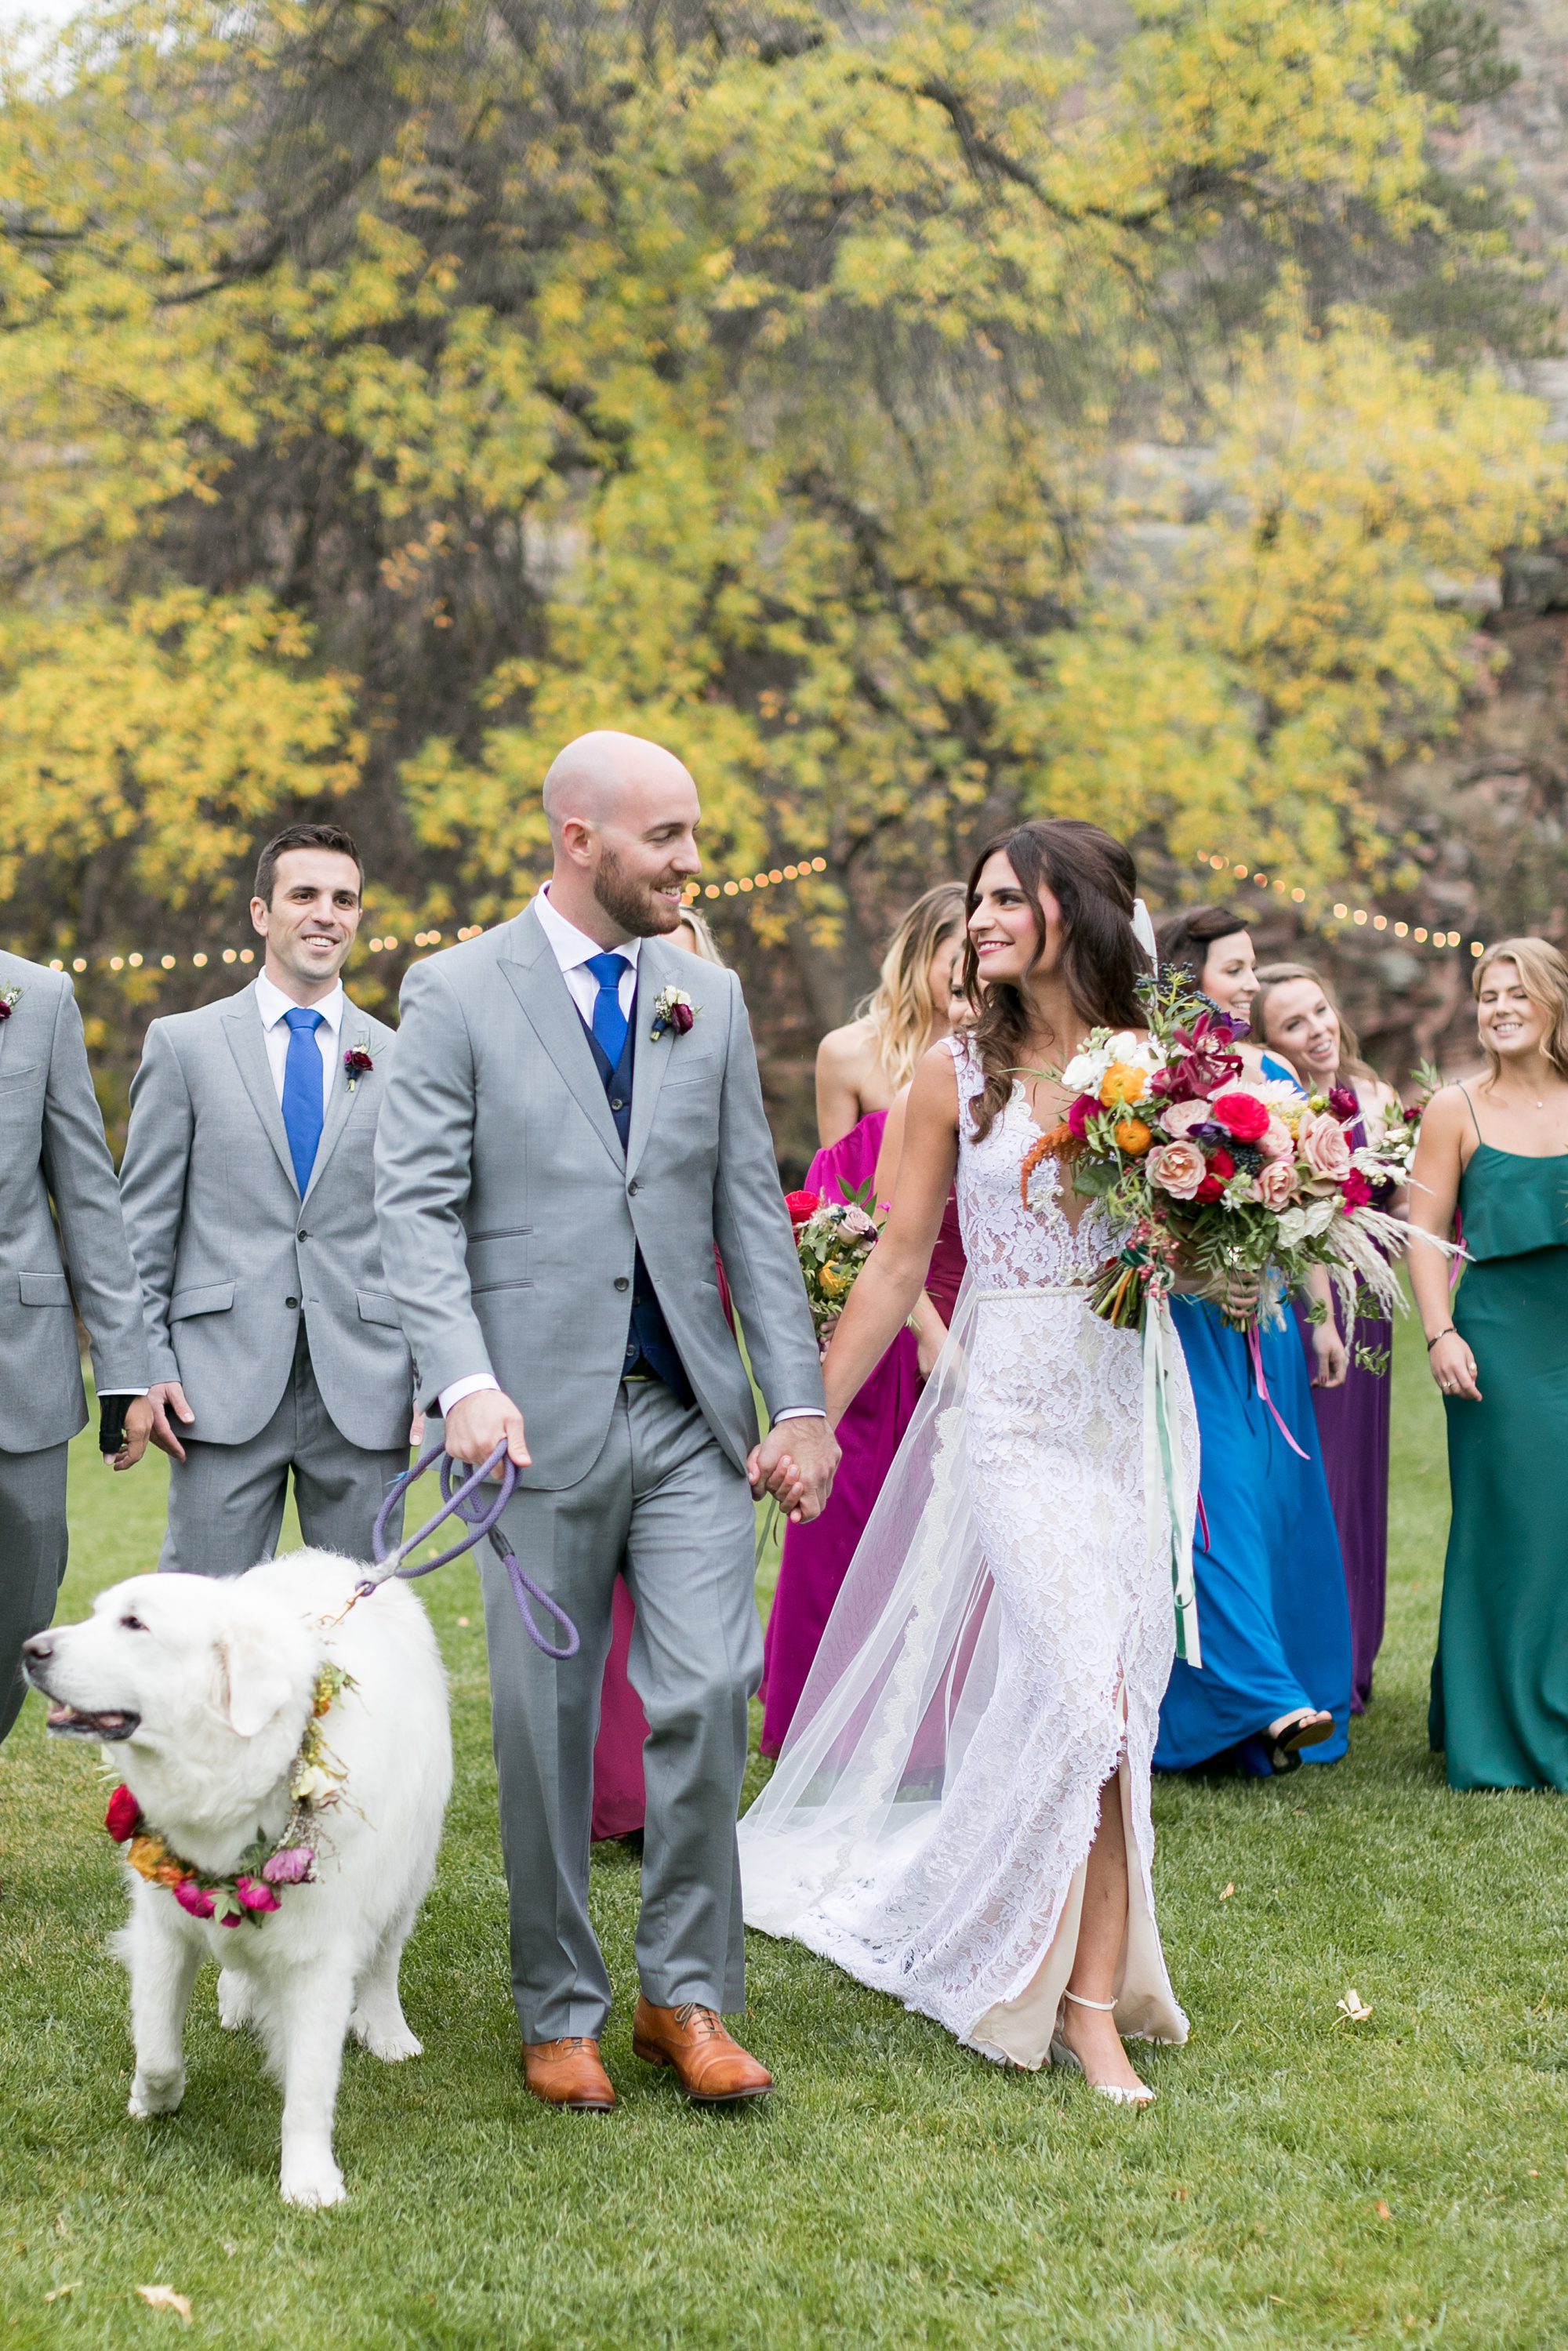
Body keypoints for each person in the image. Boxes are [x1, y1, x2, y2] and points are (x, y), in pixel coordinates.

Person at [375, 729, 835, 2114]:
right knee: (546, 1723)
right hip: (527, 1418)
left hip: (689, 1414)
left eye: (694, 834)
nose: (693, 862)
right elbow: (414, 1206)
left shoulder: (711, 993)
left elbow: (750, 1208)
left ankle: (683, 1995)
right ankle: (559, 2004)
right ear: (580, 838)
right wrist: (462, 1380)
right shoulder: (453, 990)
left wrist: (798, 1399)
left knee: (705, 1692)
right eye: (668, 838)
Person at [742, 818, 1203, 2107]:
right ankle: (1057, 1990)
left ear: (1077, 910)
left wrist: (1236, 1224)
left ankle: (1092, 1998)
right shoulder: (954, 1075)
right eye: (982, 898)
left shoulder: (1163, 1072)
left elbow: (1198, 1239)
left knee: (1121, 1709)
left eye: (1007, 898)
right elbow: (896, 1259)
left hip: (1128, 1406)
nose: (983, 917)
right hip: (1007, 1411)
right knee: (1080, 1688)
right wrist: (806, 1412)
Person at [119, 824, 413, 1574]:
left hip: (365, 1386)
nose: (326, 914)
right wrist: (144, 1362)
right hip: (215, 1389)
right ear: (261, 913)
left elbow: (426, 1228)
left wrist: (432, 1376)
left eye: (344, 899)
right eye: (305, 894)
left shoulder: (403, 1057)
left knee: (358, 1625)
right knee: (201, 1621)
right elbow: (142, 1229)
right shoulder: (183, 1045)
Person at [1150, 908, 1353, 1779]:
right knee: (1215, 1504)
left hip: (1264, 1328)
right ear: (1190, 977)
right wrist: (1205, 1274)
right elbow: (1145, 1216)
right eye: (1235, 969)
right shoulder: (1152, 1080)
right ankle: (1262, 1698)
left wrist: (1319, 1313)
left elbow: (1305, 1208)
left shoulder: (1271, 1073)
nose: (1251, 983)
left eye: (1252, 967)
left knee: (1274, 1509)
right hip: (1192, 1327)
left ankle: (1279, 1695)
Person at [1413, 938, 1568, 1791]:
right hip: (1498, 1341)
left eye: (1515, 992)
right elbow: (1425, 1237)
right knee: (1516, 1531)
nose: (1499, 1007)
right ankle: (1501, 1730)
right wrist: (1440, 1333)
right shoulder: (1454, 1108)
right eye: (1486, 995)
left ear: (1550, 1002)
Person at [592, 891, 728, 1845]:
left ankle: (679, 1801)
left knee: (697, 1632)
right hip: (569, 1362)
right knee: (593, 1611)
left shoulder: (715, 1026)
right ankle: (613, 1795)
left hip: (684, 1345)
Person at [0, 949, 152, 1746]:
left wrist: (126, 1372)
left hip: (18, 1365)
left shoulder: (37, 996)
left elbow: (88, 1194)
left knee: (20, 1601)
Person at [1254, 961, 1402, 1712]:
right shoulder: (1278, 1112)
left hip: (1369, 1307)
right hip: (1311, 1305)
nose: (1318, 1031)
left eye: (1320, 1011)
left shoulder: (1377, 1095)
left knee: (1362, 1481)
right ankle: (1320, 1662)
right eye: (1293, 1023)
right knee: (1319, 1481)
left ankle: (1358, 1657)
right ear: (1267, 1042)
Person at [814, 885, 967, 1147]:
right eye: (959, 958)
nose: (970, 971)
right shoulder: (844, 1051)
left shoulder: (998, 1049)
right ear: (918, 954)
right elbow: (836, 1183)